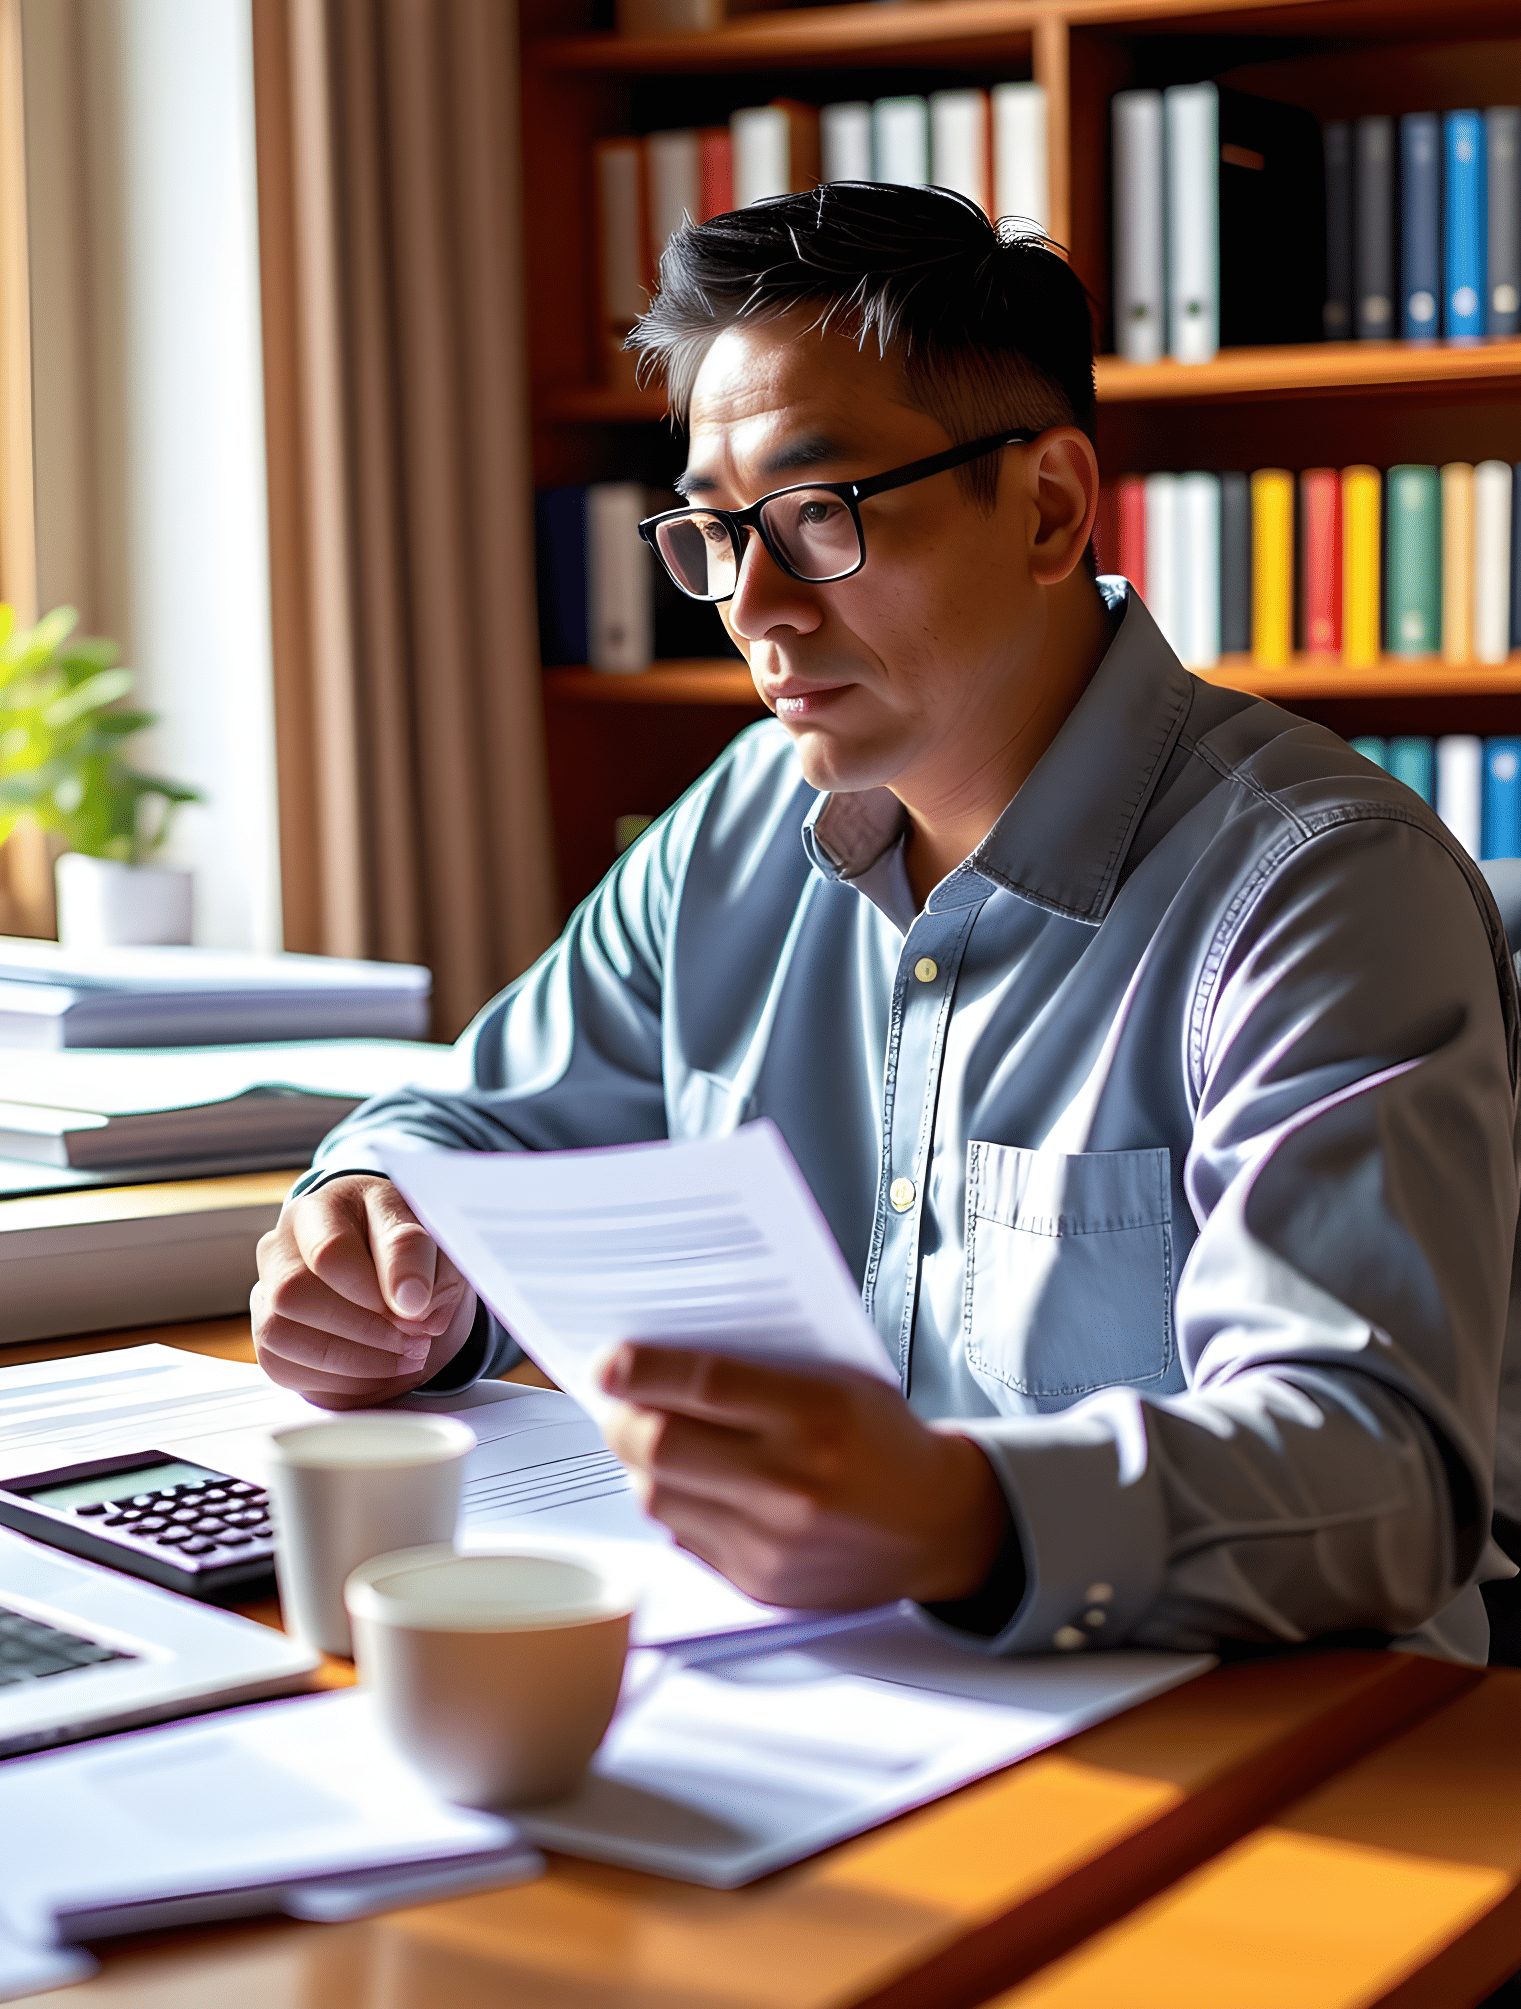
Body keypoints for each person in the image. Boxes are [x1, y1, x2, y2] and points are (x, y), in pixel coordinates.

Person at [250, 182, 1521, 1660]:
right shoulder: (735, 824)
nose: (757, 606)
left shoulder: (1321, 889)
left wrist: (964, 1513)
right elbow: (462, 1125)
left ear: (1047, 506)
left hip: (1262, 1748)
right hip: (808, 1694)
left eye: (818, 515)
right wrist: (384, 1251)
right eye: (717, 535)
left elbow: (1381, 1478)